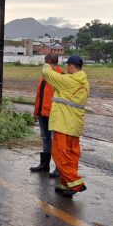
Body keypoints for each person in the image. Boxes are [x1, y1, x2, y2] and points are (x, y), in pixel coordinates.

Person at [42, 55, 90, 198]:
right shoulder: (84, 82)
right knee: (72, 155)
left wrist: (47, 64)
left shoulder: (69, 81)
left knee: (60, 154)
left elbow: (47, 74)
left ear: (71, 65)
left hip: (64, 124)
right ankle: (65, 184)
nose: (66, 67)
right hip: (75, 125)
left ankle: (75, 183)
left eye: (67, 65)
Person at [30, 53, 62, 177]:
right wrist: (36, 111)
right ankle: (45, 165)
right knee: (45, 138)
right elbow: (40, 95)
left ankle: (59, 168)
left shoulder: (60, 76)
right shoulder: (45, 76)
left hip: (53, 114)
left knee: (56, 141)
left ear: (48, 61)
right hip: (42, 112)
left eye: (45, 61)